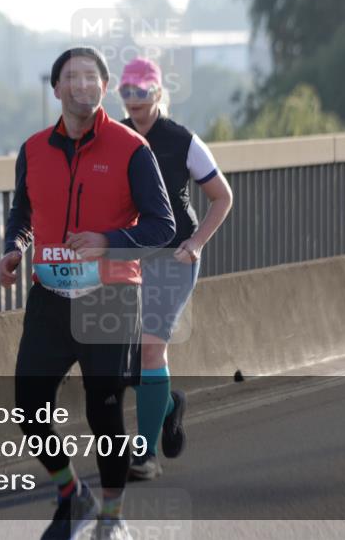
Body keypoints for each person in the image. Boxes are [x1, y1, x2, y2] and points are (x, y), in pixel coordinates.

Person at [0, 47, 175, 540]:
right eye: (70, 77)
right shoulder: (32, 149)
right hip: (50, 295)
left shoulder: (131, 149)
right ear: (55, 89)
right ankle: (72, 493)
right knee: (29, 405)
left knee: (105, 413)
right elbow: (22, 213)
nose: (81, 84)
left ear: (103, 86)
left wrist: (109, 241)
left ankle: (112, 519)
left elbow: (164, 225)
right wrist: (15, 247)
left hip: (110, 295)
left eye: (91, 76)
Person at [117, 57, 233, 481]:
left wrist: (196, 243)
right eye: (126, 91)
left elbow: (222, 196)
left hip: (173, 259)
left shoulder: (182, 141)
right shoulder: (113, 137)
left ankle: (145, 455)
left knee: (151, 347)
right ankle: (167, 405)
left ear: (158, 93)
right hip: (127, 260)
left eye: (142, 91)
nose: (134, 100)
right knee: (127, 363)